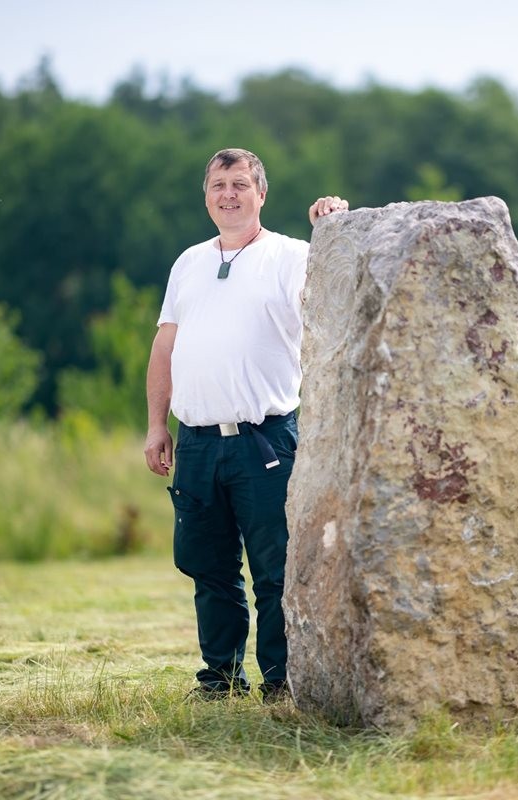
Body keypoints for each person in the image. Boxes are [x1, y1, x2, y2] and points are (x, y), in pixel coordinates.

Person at [144, 147, 347, 702]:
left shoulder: (290, 255)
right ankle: (221, 679)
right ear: (206, 196)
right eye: (218, 185)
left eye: (239, 184)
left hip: (265, 441)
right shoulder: (188, 263)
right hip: (197, 443)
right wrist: (157, 425)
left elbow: (333, 294)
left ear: (261, 194)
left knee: (276, 568)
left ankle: (282, 683)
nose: (228, 194)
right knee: (207, 566)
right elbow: (164, 346)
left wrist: (331, 225)